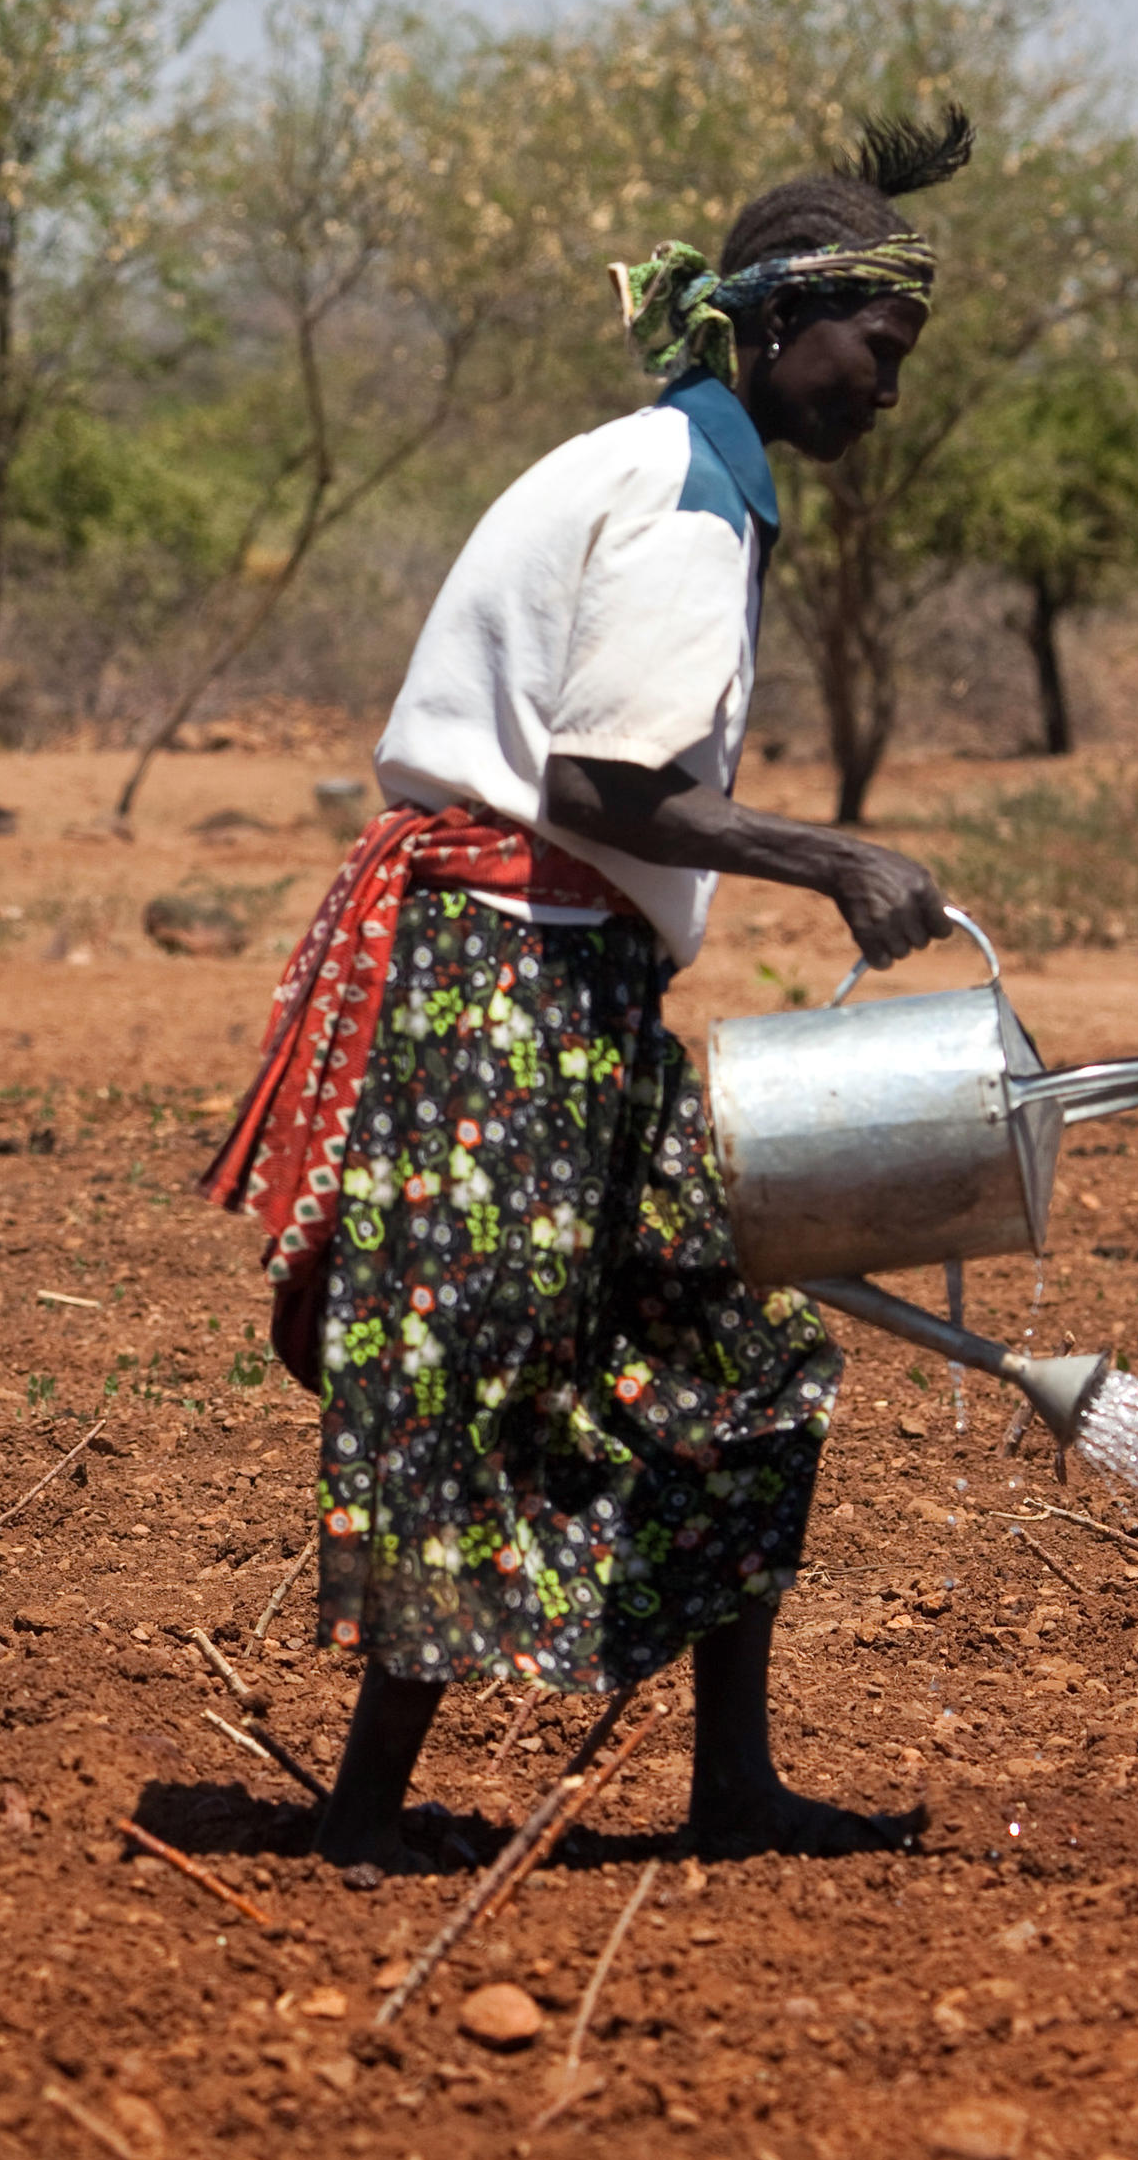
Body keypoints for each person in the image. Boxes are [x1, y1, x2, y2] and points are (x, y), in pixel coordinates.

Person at [201, 115, 980, 1867]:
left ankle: (731, 1784)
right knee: (475, 1365)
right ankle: (365, 1819)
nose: (889, 389)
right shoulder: (684, 502)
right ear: (780, 327)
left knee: (746, 1353)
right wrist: (837, 859)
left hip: (564, 982)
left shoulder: (665, 470)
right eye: (879, 349)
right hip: (509, 987)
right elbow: (608, 790)